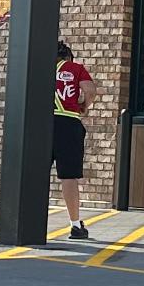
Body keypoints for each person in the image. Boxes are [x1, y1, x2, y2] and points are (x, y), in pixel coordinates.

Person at [52, 40, 96, 240]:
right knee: (68, 177)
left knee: (35, 176)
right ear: (68, 56)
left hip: (41, 125)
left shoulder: (40, 68)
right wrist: (85, 106)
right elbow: (90, 90)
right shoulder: (75, 68)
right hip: (68, 124)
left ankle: (30, 221)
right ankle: (76, 225)